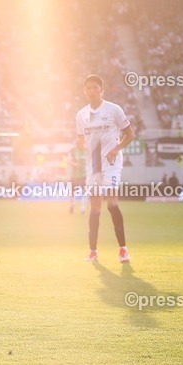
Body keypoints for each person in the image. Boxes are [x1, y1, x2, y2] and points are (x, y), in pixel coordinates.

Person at [76, 74, 135, 263]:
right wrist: (81, 145)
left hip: (111, 163)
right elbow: (80, 139)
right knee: (95, 208)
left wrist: (116, 149)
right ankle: (93, 251)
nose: (91, 91)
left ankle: (123, 250)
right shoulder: (81, 115)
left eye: (95, 87)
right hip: (93, 164)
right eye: (88, 88)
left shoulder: (113, 109)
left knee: (111, 203)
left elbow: (130, 134)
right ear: (84, 91)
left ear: (102, 89)